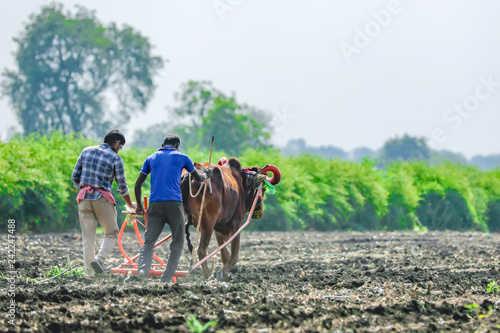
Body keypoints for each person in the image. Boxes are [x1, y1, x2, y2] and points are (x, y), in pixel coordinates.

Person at [134, 134, 211, 283]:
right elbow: (198, 178)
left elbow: (137, 185)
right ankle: (166, 279)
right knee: (177, 242)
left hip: (155, 204)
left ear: (163, 144)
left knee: (148, 242)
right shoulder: (183, 158)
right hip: (174, 205)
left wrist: (139, 206)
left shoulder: (150, 158)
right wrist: (207, 174)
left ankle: (142, 273)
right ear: (177, 145)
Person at [71, 130, 135, 275]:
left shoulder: (86, 151)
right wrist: (130, 204)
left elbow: (75, 177)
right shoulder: (115, 158)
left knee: (88, 238)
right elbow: (122, 186)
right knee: (112, 233)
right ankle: (99, 260)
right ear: (117, 142)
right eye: (121, 146)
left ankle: (89, 274)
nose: (120, 149)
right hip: (102, 199)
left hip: (84, 199)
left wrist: (83, 189)